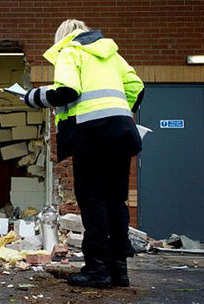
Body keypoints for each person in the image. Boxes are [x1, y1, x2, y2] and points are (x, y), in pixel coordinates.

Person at [24, 19, 144, 288]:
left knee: (93, 201)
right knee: (116, 200)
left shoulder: (71, 51)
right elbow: (137, 87)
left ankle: (97, 269)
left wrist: (31, 97)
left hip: (90, 135)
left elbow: (68, 91)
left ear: (63, 37)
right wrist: (119, 112)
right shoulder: (112, 54)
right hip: (121, 132)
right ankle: (118, 270)